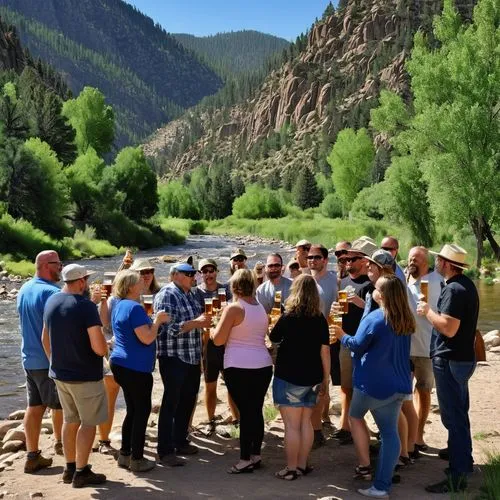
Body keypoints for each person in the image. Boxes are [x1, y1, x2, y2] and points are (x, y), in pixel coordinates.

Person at [333, 274, 415, 499]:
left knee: (355, 417)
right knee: (390, 434)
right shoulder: (405, 317)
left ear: (384, 294)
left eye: (377, 288)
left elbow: (357, 346)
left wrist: (341, 335)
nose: (373, 291)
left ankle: (364, 466)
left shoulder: (376, 318)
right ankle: (382, 485)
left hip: (373, 384)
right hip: (399, 383)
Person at [417, 244, 479, 494]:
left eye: (439, 260)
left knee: (453, 417)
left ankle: (457, 475)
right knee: (459, 415)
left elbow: (449, 328)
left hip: (451, 359)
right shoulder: (466, 285)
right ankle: (463, 462)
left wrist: (427, 311)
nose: (437, 263)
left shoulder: (454, 289)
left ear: (447, 264)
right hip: (461, 359)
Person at [41, 264, 108, 488]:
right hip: (86, 376)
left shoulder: (52, 301)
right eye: (86, 280)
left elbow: (45, 339)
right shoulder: (86, 307)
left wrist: (55, 363)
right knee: (88, 423)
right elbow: (98, 348)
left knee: (71, 420)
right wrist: (107, 347)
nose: (87, 283)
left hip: (60, 374)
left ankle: (69, 468)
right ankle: (82, 471)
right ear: (81, 282)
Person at [211, 269, 273, 474]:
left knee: (246, 412)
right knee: (256, 410)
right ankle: (256, 454)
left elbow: (218, 340)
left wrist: (210, 329)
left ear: (234, 286)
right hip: (262, 365)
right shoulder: (260, 307)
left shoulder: (234, 309)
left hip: (239, 366)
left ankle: (245, 458)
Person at [269, 275, 330, 480]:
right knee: (306, 423)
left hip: (289, 376)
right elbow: (325, 352)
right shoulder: (320, 318)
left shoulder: (288, 317)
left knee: (292, 426)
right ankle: (303, 464)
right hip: (313, 376)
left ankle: (291, 468)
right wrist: (326, 378)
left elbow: (273, 337)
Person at [109, 270, 169, 472]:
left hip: (121, 363)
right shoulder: (134, 308)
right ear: (130, 286)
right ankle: (137, 458)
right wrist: (158, 321)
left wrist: (150, 320)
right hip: (135, 367)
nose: (143, 282)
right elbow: (147, 338)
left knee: (132, 410)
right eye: (138, 281)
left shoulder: (119, 305)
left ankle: (125, 454)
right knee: (141, 411)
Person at [154, 262, 211, 466]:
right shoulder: (168, 294)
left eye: (193, 273)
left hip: (191, 355)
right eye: (188, 273)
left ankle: (180, 440)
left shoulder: (189, 293)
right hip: (174, 356)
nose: (193, 276)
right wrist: (198, 322)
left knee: (188, 399)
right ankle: (165, 450)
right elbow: (169, 329)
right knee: (171, 402)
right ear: (175, 275)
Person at [16, 250, 64, 473]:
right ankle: (71, 459)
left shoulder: (24, 288)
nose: (61, 268)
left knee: (34, 407)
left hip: (29, 358)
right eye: (58, 264)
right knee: (63, 406)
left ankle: (32, 455)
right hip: (49, 360)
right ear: (46, 265)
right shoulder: (52, 292)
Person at [334, 238, 377, 445]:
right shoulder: (342, 282)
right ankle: (345, 425)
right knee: (345, 386)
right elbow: (339, 310)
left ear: (363, 261)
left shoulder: (371, 285)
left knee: (362, 387)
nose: (348, 262)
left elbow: (377, 316)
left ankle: (359, 426)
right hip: (345, 339)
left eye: (352, 258)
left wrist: (362, 304)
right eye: (346, 259)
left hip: (364, 343)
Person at [193, 258, 238, 426]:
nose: (208, 274)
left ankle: (236, 419)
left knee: (232, 384)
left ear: (216, 272)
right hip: (207, 344)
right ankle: (211, 419)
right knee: (210, 385)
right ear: (200, 274)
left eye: (211, 270)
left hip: (227, 343)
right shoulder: (196, 292)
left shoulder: (226, 289)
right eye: (204, 271)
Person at [406, 246, 443, 452]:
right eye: (411, 258)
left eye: (417, 259)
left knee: (424, 391)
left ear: (426, 262)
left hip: (427, 347)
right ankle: (408, 435)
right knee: (403, 392)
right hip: (405, 346)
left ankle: (418, 436)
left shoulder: (437, 280)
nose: (412, 262)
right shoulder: (405, 279)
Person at [306, 244, 338, 447]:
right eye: (309, 257)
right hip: (305, 342)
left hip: (326, 340)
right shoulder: (303, 280)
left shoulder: (334, 281)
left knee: (322, 384)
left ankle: (318, 428)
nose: (312, 260)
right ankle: (311, 427)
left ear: (325, 260)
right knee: (308, 385)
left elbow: (338, 310)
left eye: (317, 257)